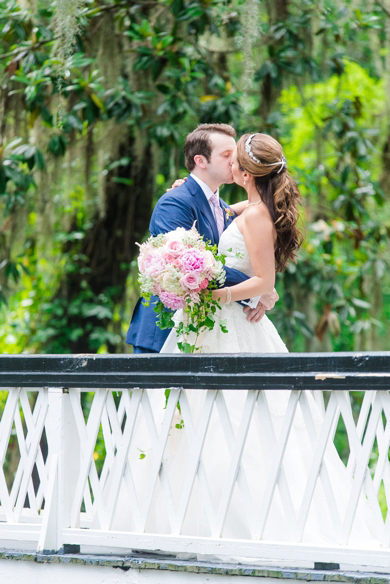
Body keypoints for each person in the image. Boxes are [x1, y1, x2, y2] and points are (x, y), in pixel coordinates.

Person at [126, 123, 278, 354]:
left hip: (205, 329)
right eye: (226, 155)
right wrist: (257, 289)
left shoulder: (225, 209)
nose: (233, 162)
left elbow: (261, 205)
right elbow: (191, 268)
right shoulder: (175, 203)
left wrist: (259, 287)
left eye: (234, 156)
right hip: (165, 329)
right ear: (200, 161)